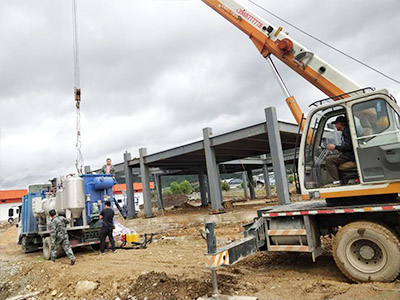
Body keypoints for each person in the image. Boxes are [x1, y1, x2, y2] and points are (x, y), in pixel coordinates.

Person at [325, 116, 355, 186]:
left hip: (350, 156)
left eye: (335, 124)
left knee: (329, 160)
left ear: (340, 124)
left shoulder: (346, 132)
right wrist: (339, 149)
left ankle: (336, 182)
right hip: (349, 154)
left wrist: (335, 146)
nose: (335, 126)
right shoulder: (346, 131)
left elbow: (348, 147)